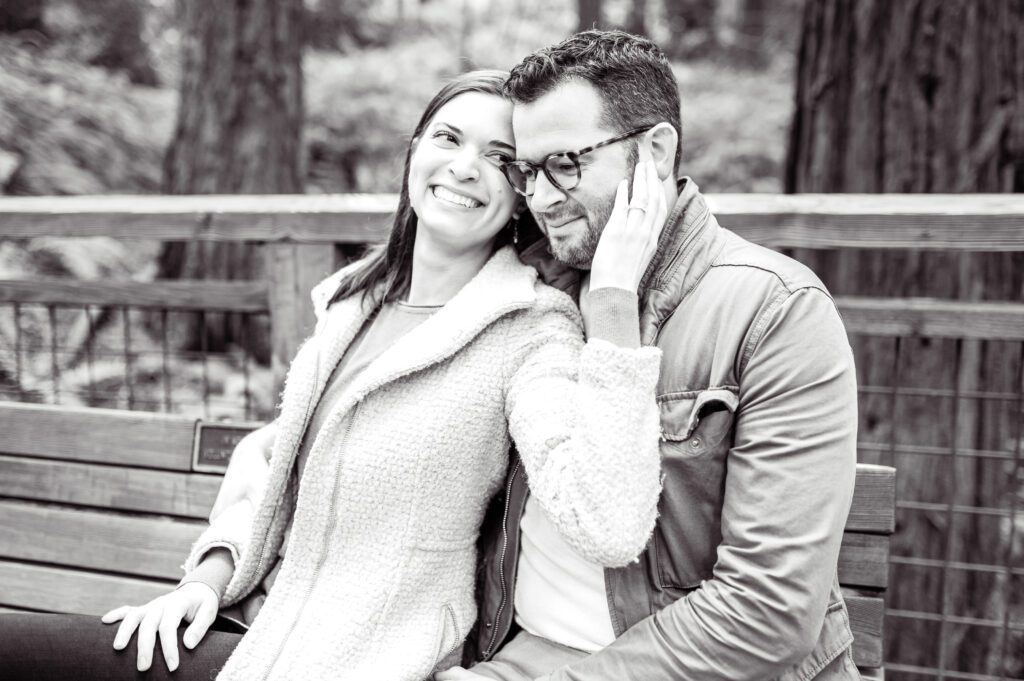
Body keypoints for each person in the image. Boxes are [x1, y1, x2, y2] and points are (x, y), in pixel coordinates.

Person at [0, 69, 668, 681]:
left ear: (521, 194)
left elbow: (607, 522)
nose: (466, 168)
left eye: (499, 159)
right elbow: (273, 461)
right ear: (414, 150)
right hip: (246, 622)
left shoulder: (529, 329)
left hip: (352, 657)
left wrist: (612, 310)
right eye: (448, 137)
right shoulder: (353, 301)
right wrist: (204, 580)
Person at [442, 31, 860, 681]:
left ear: (655, 152)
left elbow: (767, 611)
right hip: (519, 653)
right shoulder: (527, 291)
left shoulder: (774, 309)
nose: (542, 197)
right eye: (527, 170)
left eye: (566, 164)